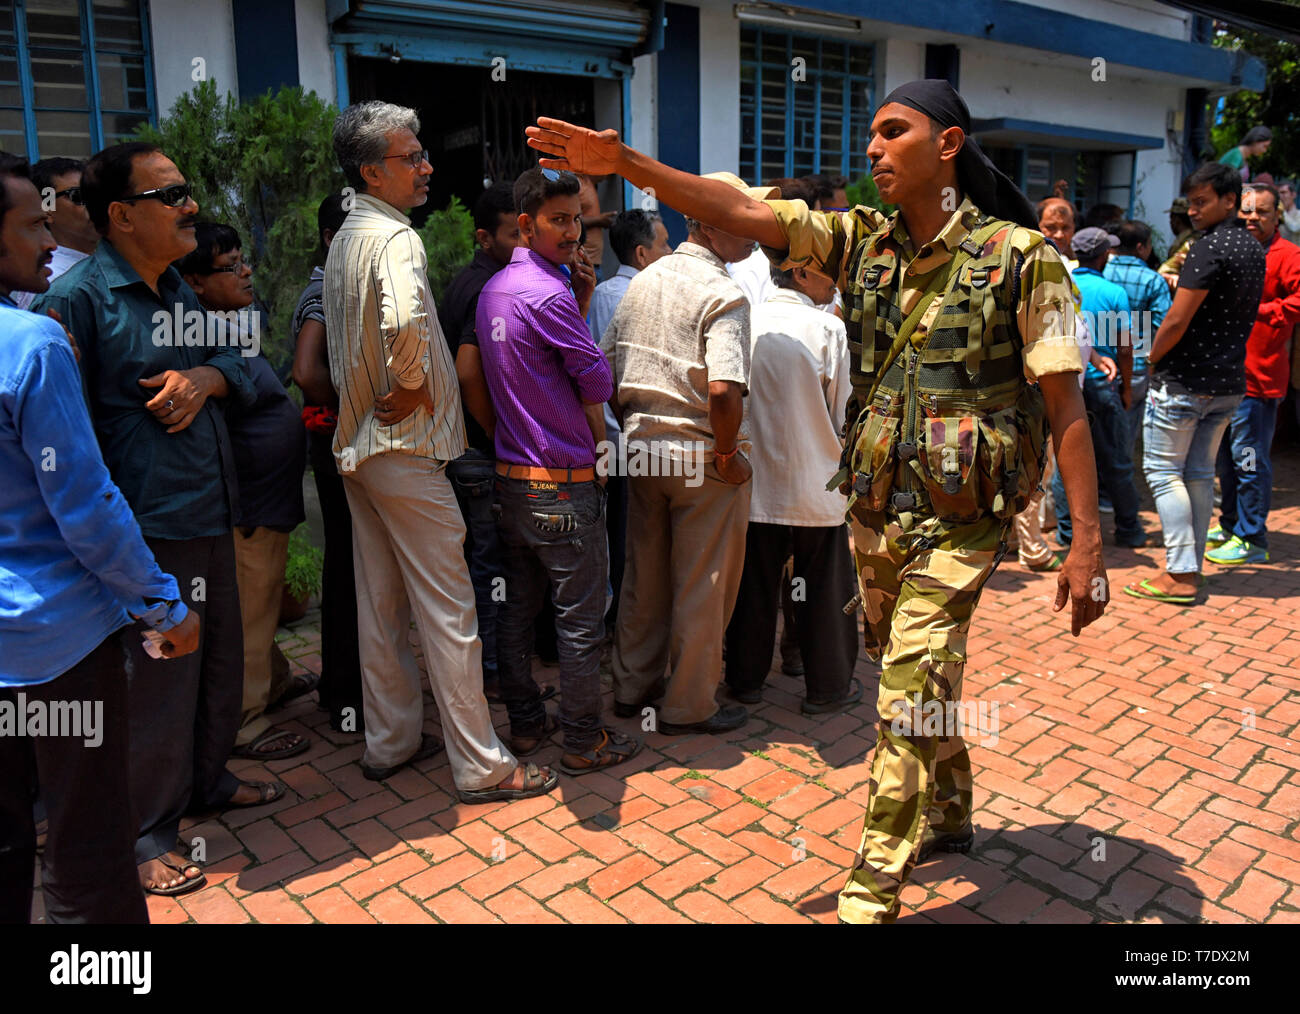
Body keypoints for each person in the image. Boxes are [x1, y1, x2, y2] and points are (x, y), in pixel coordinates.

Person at [525, 76, 1108, 924]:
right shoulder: (860, 242)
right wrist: (627, 165)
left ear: (947, 146)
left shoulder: (1025, 260)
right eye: (869, 135)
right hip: (874, 514)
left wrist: (1086, 544)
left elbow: (1066, 407)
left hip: (963, 519)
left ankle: (870, 889)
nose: (872, 148)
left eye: (893, 131)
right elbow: (747, 214)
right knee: (921, 670)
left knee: (904, 681)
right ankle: (949, 808)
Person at [32, 142, 280, 897]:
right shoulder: (75, 304)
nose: (191, 208)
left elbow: (245, 361)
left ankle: (208, 781)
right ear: (121, 215)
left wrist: (206, 375)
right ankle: (144, 832)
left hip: (211, 510)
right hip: (145, 533)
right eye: (171, 196)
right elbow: (55, 439)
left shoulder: (177, 287)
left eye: (187, 192)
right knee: (155, 688)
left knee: (216, 667)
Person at [325, 101, 554, 801]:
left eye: (423, 152)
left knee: (382, 603)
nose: (426, 167)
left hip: (363, 450)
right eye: (411, 157)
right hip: (404, 448)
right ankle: (482, 765)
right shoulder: (395, 239)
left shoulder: (347, 235)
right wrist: (415, 383)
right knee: (451, 609)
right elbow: (402, 320)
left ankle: (390, 741)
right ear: (372, 170)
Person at [0, 150, 201, 921]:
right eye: (30, 224)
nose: (50, 238)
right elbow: (84, 504)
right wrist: (163, 607)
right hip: (56, 644)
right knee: (87, 850)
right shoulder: (34, 344)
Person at [476, 167, 640, 774]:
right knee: (578, 623)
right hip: (562, 487)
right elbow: (597, 379)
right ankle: (581, 741)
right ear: (526, 224)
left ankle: (524, 727)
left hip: (513, 482)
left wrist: (584, 301)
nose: (573, 232)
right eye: (559, 220)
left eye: (577, 218)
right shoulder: (546, 294)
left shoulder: (498, 288)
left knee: (517, 611)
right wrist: (580, 308)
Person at [599, 175, 758, 736]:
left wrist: (631, 422)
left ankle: (630, 687)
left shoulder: (643, 280)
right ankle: (689, 705)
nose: (755, 231)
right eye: (743, 219)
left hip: (642, 452)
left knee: (645, 576)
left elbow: (605, 364)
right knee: (702, 584)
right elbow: (723, 389)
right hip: (700, 457)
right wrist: (727, 453)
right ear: (708, 223)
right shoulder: (725, 294)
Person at [177, 223, 311, 760]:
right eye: (230, 265)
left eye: (243, 260)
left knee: (260, 607)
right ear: (196, 283)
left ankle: (271, 682)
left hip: (266, 500)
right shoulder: (194, 340)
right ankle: (243, 723)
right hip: (248, 503)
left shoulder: (226, 328)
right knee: (250, 611)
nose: (246, 271)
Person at [722, 257, 859, 712]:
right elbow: (842, 413)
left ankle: (745, 682)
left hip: (754, 483)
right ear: (799, 271)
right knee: (824, 589)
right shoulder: (827, 329)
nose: (835, 285)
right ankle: (827, 689)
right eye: (828, 273)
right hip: (815, 481)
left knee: (754, 588)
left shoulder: (744, 319)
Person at [1125, 162, 1265, 605]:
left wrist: (1151, 356)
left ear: (1230, 200)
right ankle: (1191, 567)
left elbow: (1178, 318)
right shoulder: (1252, 247)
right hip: (1228, 383)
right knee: (1200, 475)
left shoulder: (1207, 249)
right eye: (1192, 202)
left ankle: (1181, 574)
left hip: (1185, 382)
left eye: (1203, 202)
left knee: (1165, 475)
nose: (1194, 210)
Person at [437, 181, 523, 700]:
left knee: (485, 565)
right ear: (483, 237)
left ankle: (489, 669)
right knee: (491, 569)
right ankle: (491, 674)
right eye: (516, 234)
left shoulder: (478, 277)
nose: (525, 244)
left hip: (470, 448)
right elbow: (467, 371)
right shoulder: (487, 288)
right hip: (478, 451)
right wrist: (496, 434)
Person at [291, 194, 365, 734]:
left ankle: (343, 689)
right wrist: (354, 408)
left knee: (349, 564)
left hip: (333, 439)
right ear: (330, 239)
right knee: (349, 566)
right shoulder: (323, 292)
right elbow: (305, 370)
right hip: (337, 440)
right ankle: (348, 693)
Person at [1206, 183, 1300, 565]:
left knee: (1248, 459)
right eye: (1247, 212)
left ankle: (1251, 537)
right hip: (1225, 377)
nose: (1253, 219)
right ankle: (1231, 524)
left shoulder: (1289, 255)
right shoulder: (1232, 248)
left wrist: (1259, 312)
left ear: (1277, 215)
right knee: (1227, 459)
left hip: (1259, 381)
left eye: (1262, 212)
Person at [588, 208, 672, 631]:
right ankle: (625, 625)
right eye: (664, 245)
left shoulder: (605, 293)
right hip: (630, 442)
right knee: (630, 540)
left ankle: (622, 621)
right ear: (641, 254)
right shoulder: (636, 298)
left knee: (623, 538)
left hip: (616, 439)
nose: (670, 252)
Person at [1051, 227, 1145, 549]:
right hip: (1103, 385)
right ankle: (1129, 529)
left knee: (1066, 459)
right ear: (1103, 254)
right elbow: (1126, 346)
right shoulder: (1114, 292)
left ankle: (1066, 533)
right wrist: (1128, 389)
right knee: (1117, 458)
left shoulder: (1063, 285)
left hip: (1067, 385)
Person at [1104, 219, 1172, 454]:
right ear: (1142, 247)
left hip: (1098, 361)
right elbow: (1163, 325)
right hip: (1136, 363)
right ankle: (1119, 476)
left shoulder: (1101, 270)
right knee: (1126, 430)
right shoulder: (1153, 280)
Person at [12, 157, 98, 309]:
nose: (95, 204)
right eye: (78, 196)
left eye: (96, 194)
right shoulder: (49, 279)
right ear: (47, 209)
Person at [1276, 180, 1300, 244]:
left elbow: (1295, 228)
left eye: (1283, 193)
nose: (1280, 196)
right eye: (1278, 193)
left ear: (1294, 195)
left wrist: (1282, 211)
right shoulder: (1277, 214)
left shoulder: (1298, 214)